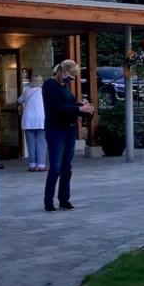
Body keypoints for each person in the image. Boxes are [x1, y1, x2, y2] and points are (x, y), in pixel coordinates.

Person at [42, 60, 94, 211]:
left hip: (69, 128)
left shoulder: (66, 86)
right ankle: (48, 201)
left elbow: (69, 104)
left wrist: (82, 106)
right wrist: (79, 110)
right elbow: (56, 106)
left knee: (67, 167)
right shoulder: (49, 85)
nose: (72, 79)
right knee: (56, 167)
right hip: (56, 129)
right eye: (72, 75)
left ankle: (64, 199)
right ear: (63, 71)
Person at [18, 74, 47, 171]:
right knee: (41, 143)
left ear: (31, 82)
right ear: (41, 82)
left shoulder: (27, 92)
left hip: (28, 121)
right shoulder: (44, 92)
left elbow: (19, 100)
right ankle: (41, 165)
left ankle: (32, 164)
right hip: (41, 121)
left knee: (31, 144)